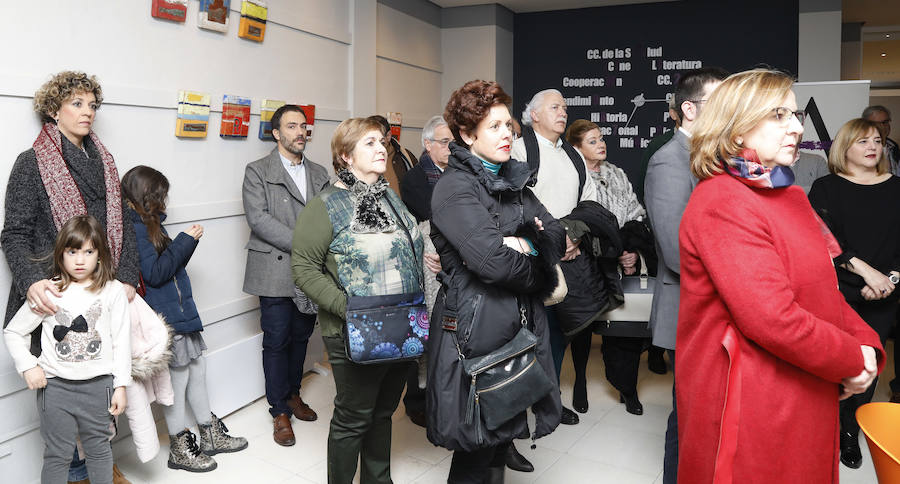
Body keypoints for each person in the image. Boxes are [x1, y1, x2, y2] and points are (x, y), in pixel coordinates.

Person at [677, 69, 884, 483]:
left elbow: (823, 289)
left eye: (795, 114)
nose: (796, 126)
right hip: (753, 395)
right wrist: (848, 359)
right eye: (778, 115)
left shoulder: (787, 192)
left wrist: (867, 347)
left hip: (801, 379)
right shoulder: (722, 199)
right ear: (736, 131)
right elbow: (771, 318)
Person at [1, 70, 140, 484]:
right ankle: (75, 470)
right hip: (52, 294)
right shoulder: (32, 163)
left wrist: (128, 277)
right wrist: (31, 281)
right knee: (58, 395)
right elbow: (13, 233)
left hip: (102, 289)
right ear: (53, 109)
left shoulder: (104, 160)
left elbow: (122, 225)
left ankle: (97, 464)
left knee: (101, 379)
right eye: (76, 104)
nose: (87, 113)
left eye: (92, 105)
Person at [427, 80, 565, 484]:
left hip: (515, 321)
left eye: (509, 125)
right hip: (474, 328)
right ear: (468, 135)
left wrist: (524, 241)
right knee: (476, 443)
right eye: (494, 126)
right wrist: (531, 252)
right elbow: (493, 263)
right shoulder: (454, 188)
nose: (507, 134)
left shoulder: (513, 180)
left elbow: (556, 234)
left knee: (499, 437)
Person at [291, 117, 424, 484]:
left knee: (382, 413)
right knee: (354, 417)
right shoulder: (326, 205)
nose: (381, 148)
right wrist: (348, 307)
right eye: (369, 143)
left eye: (382, 142)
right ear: (345, 156)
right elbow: (303, 269)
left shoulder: (389, 196)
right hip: (353, 330)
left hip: (402, 325)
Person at [122, 166, 248, 472]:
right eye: (160, 194)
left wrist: (182, 243)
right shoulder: (136, 229)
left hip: (180, 314)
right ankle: (179, 447)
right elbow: (155, 275)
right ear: (147, 195)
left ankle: (209, 433)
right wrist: (185, 242)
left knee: (197, 370)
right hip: (166, 319)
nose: (165, 200)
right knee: (176, 382)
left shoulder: (150, 225)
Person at [643, 66, 727, 484]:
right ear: (689, 109)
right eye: (720, 102)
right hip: (688, 311)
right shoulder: (669, 161)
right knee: (690, 419)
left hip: (714, 311)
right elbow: (677, 254)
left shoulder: (713, 156)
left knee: (710, 419)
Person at [4, 215, 131, 484]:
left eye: (88, 251)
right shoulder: (50, 292)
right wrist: (28, 365)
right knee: (57, 455)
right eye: (72, 251)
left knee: (99, 451)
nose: (80, 260)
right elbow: (14, 331)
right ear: (61, 253)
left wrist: (121, 385)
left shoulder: (113, 291)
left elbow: (122, 341)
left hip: (99, 388)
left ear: (100, 254)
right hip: (56, 389)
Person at [808, 118, 900, 469]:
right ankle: (826, 427)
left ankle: (850, 430)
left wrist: (889, 279)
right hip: (838, 292)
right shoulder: (826, 188)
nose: (872, 147)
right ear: (844, 146)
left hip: (886, 292)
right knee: (834, 363)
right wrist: (866, 272)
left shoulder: (897, 188)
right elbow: (825, 243)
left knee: (867, 367)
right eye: (862, 141)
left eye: (877, 140)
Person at [242, 104, 330, 446]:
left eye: (303, 126)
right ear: (276, 133)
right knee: (276, 341)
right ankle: (278, 410)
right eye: (291, 126)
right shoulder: (257, 170)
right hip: (274, 268)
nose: (299, 132)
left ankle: (293, 394)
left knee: (301, 337)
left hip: (310, 272)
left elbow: (329, 217)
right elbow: (258, 219)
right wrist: (306, 244)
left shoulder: (320, 172)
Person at [510, 88, 598, 428]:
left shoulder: (574, 156)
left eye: (565, 107)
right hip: (532, 258)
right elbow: (512, 207)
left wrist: (574, 234)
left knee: (560, 332)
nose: (563, 112)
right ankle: (516, 406)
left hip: (569, 258)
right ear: (534, 115)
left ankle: (550, 399)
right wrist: (552, 239)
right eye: (555, 107)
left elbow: (589, 202)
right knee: (525, 333)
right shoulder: (519, 150)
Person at [566, 119, 652, 415]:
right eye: (592, 141)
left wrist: (629, 251)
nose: (601, 144)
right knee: (584, 326)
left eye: (601, 138)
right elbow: (571, 222)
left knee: (624, 327)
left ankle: (627, 388)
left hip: (619, 261)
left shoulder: (617, 174)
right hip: (587, 263)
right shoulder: (572, 178)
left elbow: (635, 215)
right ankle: (579, 381)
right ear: (577, 148)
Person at [398, 115, 450, 428]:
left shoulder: (459, 172)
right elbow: (436, 215)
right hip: (426, 263)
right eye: (444, 142)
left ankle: (442, 394)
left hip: (450, 261)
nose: (450, 147)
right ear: (427, 144)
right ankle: (416, 400)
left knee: (444, 332)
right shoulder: (415, 179)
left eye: (452, 142)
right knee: (422, 332)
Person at [370, 114, 419, 194]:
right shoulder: (364, 158)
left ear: (388, 136)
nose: (375, 144)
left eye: (379, 139)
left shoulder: (406, 156)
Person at [862, 105, 900, 175]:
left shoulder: (893, 146)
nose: (882, 127)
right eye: (876, 123)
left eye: (885, 122)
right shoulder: (861, 148)